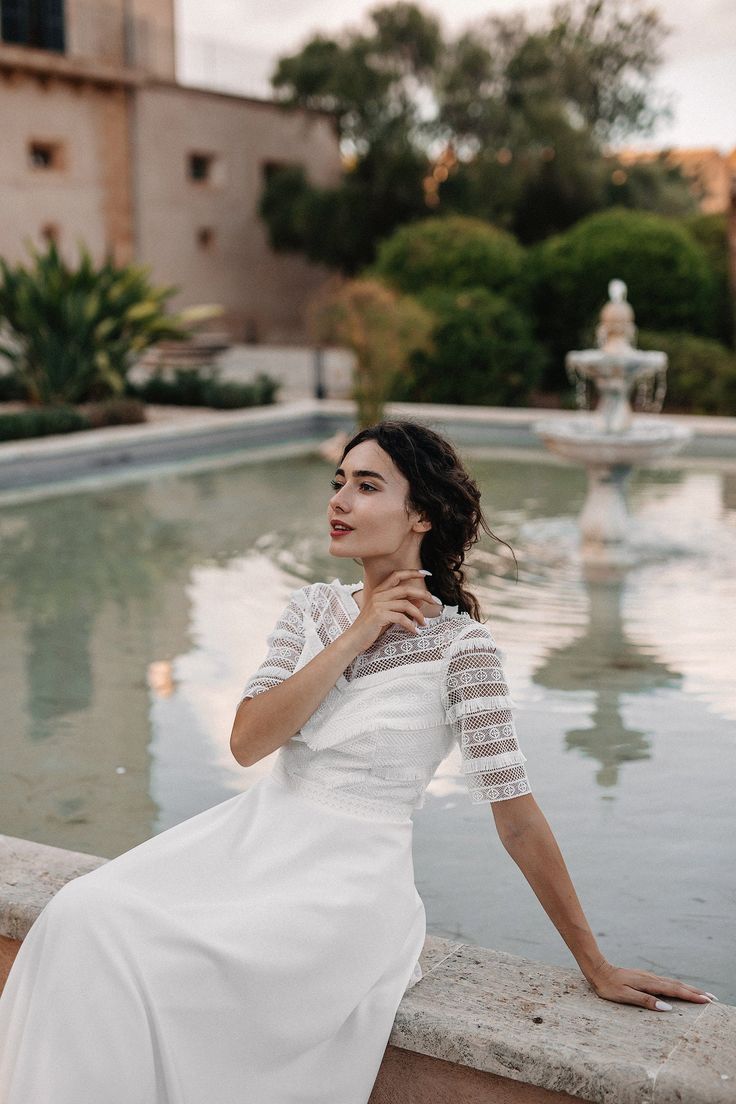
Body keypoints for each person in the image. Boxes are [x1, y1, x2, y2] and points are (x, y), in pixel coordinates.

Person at [0, 418, 715, 1103]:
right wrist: (356, 633)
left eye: (368, 486)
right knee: (82, 915)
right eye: (339, 482)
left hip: (344, 885)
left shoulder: (463, 652)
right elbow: (248, 741)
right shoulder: (311, 610)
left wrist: (594, 963)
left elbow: (516, 816)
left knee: (157, 959)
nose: (340, 501)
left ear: (422, 516)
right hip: (250, 841)